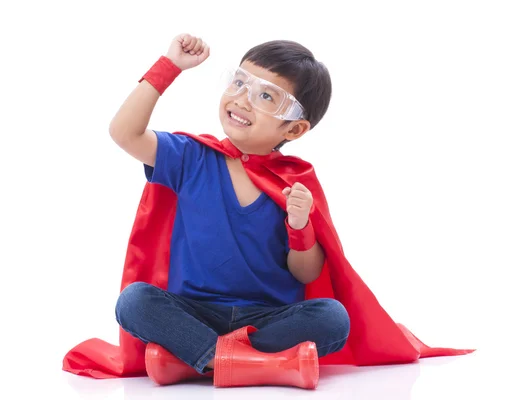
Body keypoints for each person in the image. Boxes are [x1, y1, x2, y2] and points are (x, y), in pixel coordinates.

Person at [110, 33, 349, 389]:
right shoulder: (190, 156)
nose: (242, 100)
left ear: (295, 128)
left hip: (266, 318)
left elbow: (306, 272)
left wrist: (300, 225)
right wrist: (169, 66)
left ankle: (195, 361)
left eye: (265, 96)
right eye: (240, 83)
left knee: (333, 318)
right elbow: (124, 133)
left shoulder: (294, 182)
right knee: (133, 302)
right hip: (194, 311)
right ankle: (256, 366)